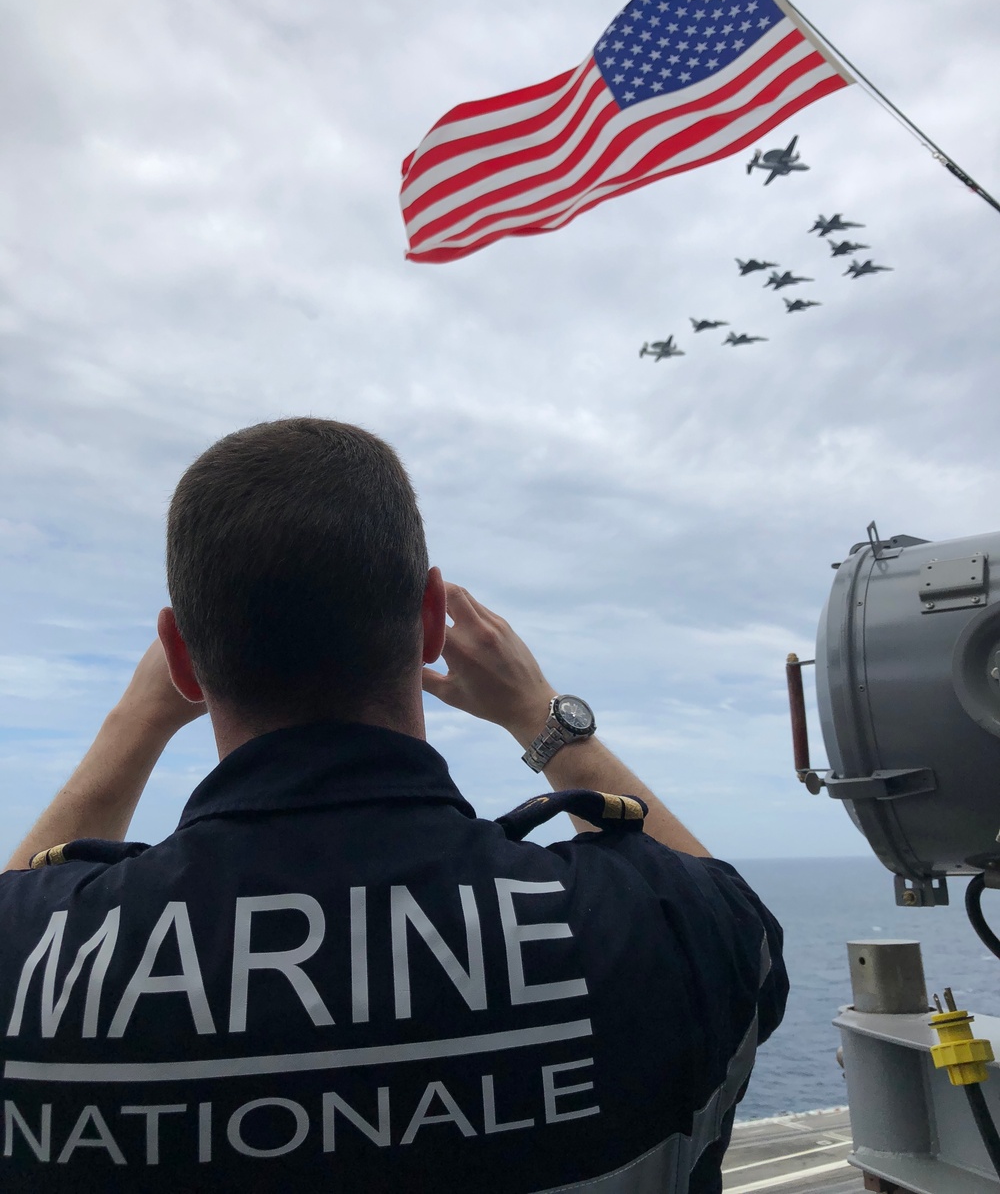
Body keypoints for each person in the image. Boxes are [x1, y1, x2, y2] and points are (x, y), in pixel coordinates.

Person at [0, 418, 787, 1193]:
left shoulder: (36, 962)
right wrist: (544, 720)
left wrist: (132, 723)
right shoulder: (654, 929)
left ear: (182, 656)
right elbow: (736, 924)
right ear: (429, 621)